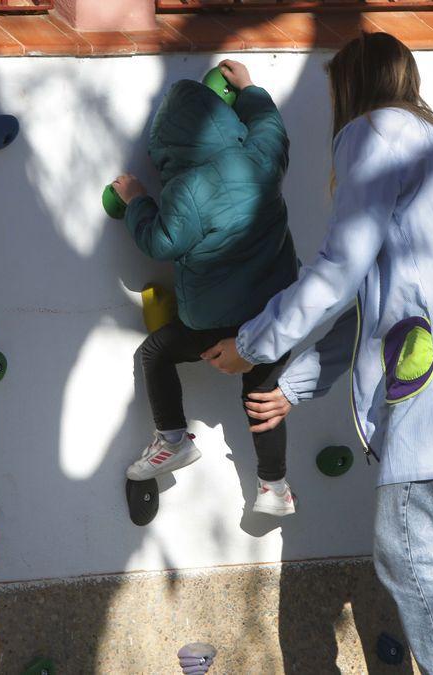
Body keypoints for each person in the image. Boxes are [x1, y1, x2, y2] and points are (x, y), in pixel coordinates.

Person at [202, 33, 433, 673]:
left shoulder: (372, 134)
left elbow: (340, 271)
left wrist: (254, 345)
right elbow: (371, 296)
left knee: (406, 543)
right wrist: (294, 385)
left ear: (351, 87)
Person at [112, 59, 300, 516]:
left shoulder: (185, 190)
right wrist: (251, 89)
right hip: (271, 315)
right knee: (263, 397)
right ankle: (274, 486)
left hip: (212, 323)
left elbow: (160, 241)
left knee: (155, 354)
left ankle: (172, 438)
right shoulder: (260, 157)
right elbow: (271, 126)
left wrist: (137, 201)